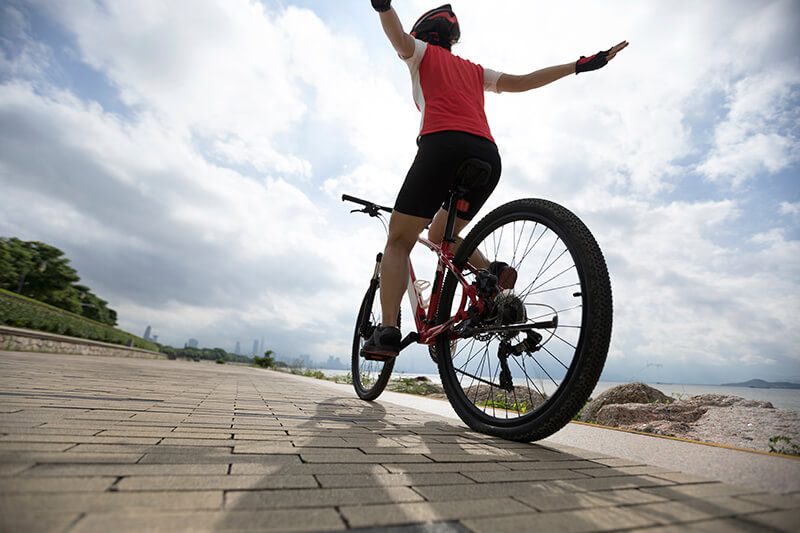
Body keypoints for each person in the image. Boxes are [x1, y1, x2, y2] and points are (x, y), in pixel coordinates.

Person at [362, 1, 628, 357]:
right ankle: (491, 272)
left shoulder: (420, 53)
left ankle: (388, 331)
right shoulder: (474, 71)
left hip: (442, 147)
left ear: (422, 34)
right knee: (441, 235)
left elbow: (395, 36)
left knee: (398, 240)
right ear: (451, 39)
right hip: (486, 156)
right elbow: (523, 82)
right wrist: (580, 66)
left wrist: (383, 7)